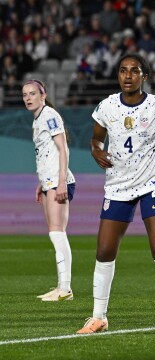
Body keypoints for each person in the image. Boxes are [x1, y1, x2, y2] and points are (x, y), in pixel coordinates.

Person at [76, 53, 155, 335]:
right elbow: (96, 138)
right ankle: (98, 317)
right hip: (118, 185)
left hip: (152, 184)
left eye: (134, 71)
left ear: (144, 76)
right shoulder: (107, 106)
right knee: (104, 251)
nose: (127, 76)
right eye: (123, 70)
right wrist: (95, 150)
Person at [24, 79, 76, 301]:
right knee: (54, 232)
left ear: (43, 95)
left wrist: (61, 181)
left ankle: (65, 289)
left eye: (32, 93)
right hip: (49, 181)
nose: (28, 98)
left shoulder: (50, 115)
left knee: (57, 232)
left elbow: (63, 149)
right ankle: (60, 287)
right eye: (25, 94)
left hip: (58, 181)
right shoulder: (38, 119)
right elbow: (46, 154)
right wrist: (41, 182)